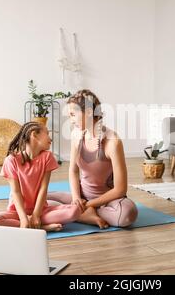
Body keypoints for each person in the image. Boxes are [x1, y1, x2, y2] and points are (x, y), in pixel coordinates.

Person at [48, 89, 138, 228]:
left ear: (89, 112)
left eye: (73, 115)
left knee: (127, 214)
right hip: (81, 197)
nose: (71, 121)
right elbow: (73, 171)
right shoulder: (76, 135)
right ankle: (85, 215)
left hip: (108, 202)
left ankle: (80, 213)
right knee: (35, 199)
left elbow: (120, 189)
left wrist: (89, 205)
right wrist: (77, 198)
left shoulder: (112, 141)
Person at [0, 122, 81, 231]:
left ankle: (32, 225)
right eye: (47, 134)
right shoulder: (11, 160)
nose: (50, 139)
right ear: (34, 135)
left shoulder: (47, 157)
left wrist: (36, 215)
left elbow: (43, 189)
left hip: (41, 211)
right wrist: (23, 218)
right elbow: (16, 192)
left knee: (75, 211)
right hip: (17, 212)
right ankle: (42, 227)